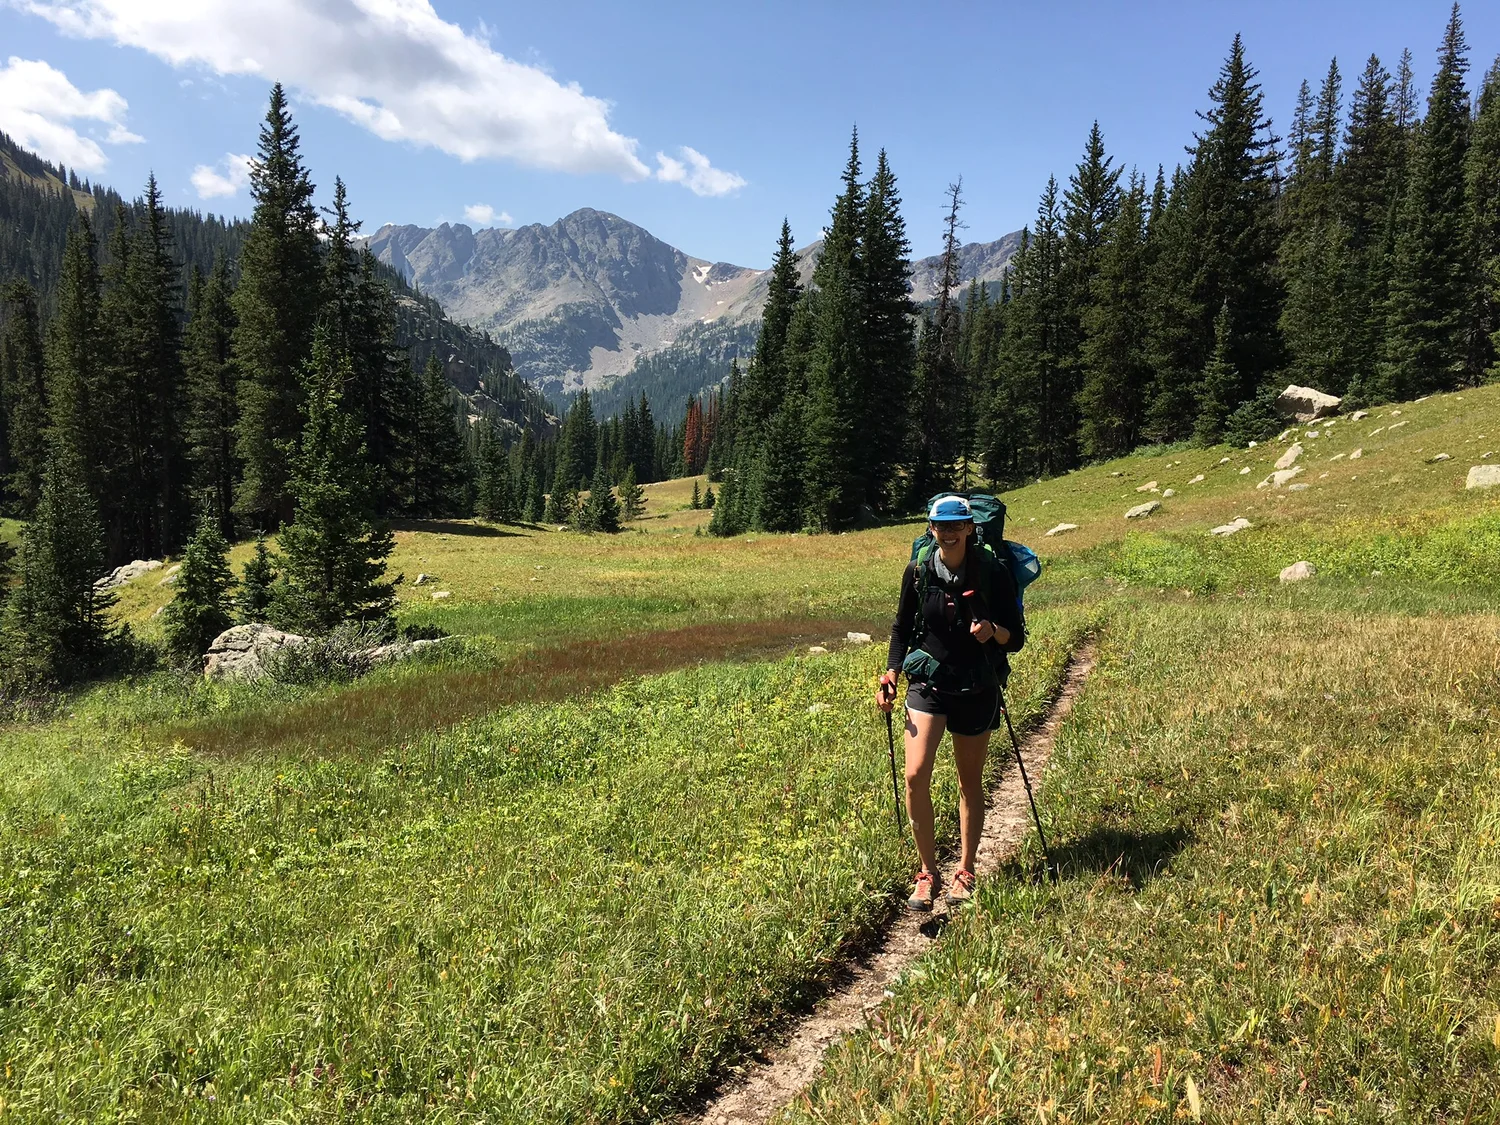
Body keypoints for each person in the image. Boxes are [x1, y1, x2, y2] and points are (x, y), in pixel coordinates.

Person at [876, 495, 1025, 910]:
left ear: (970, 528)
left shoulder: (992, 571)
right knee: (914, 775)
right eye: (942, 525)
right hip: (929, 681)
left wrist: (993, 632)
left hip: (977, 685)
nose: (949, 532)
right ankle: (927, 873)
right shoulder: (918, 570)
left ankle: (965, 869)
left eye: (957, 524)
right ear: (931, 528)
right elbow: (901, 628)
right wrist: (891, 674)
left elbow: (1015, 637)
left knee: (968, 781)